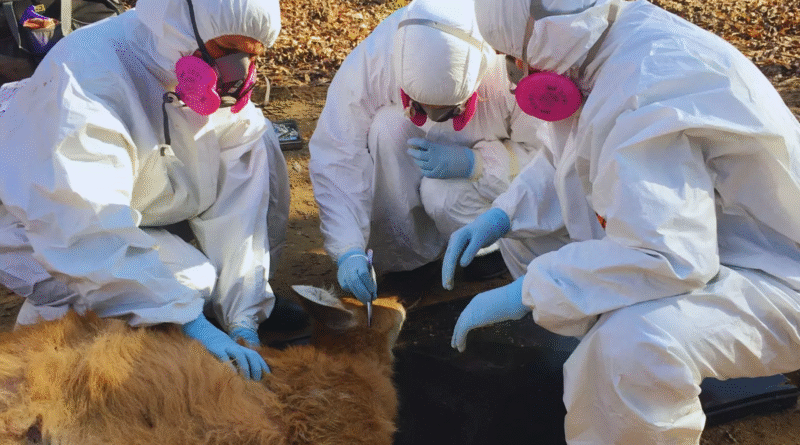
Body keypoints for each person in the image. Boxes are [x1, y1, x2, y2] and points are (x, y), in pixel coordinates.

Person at [442, 0, 800, 443]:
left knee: (632, 346)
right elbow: (569, 155)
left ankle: (633, 395)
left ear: (541, 35)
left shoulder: (642, 89)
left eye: (514, 56)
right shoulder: (609, 42)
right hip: (723, 241)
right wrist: (502, 215)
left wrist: (530, 291)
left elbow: (669, 258)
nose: (517, 69)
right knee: (530, 244)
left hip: (779, 273)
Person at [0, 0, 291, 380]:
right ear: (179, 25)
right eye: (225, 51)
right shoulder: (86, 79)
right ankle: (47, 364)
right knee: (191, 279)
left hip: (138, 206)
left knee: (260, 138)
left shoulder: (180, 55)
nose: (236, 72)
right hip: (40, 231)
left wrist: (243, 317)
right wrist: (187, 320)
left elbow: (241, 200)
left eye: (249, 56)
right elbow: (79, 229)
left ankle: (212, 307)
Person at [308, 0, 552, 304]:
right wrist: (347, 248)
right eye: (423, 108)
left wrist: (476, 164)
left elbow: (546, 158)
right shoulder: (377, 56)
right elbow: (338, 149)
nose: (437, 120)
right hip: (416, 146)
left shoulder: (509, 61)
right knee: (387, 127)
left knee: (440, 194)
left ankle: (491, 245)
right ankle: (408, 256)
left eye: (449, 111)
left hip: (484, 165)